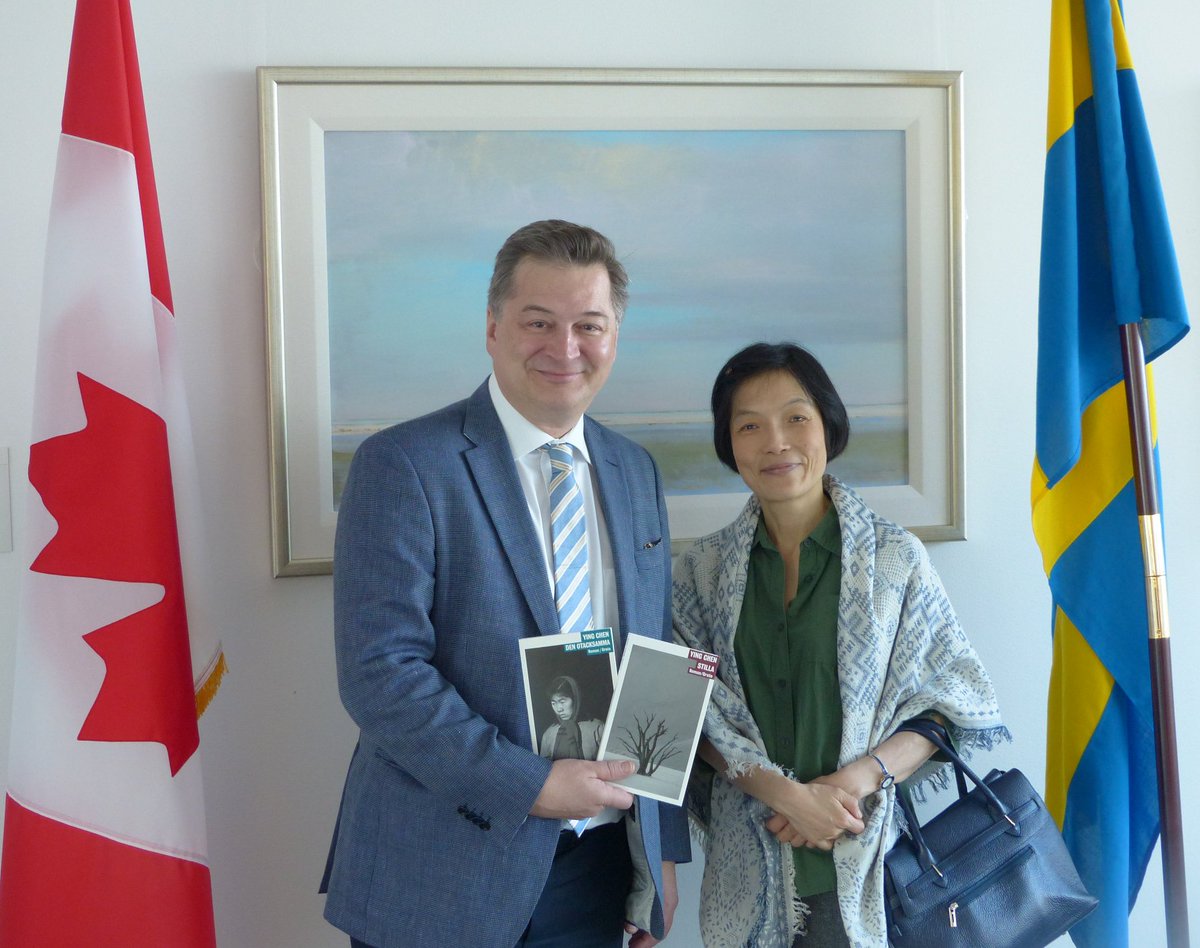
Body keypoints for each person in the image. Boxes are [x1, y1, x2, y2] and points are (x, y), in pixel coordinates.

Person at [321, 220, 689, 948]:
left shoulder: (635, 471)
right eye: (538, 322)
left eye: (589, 325)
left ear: (615, 336)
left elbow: (659, 661)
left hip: (595, 867)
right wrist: (532, 786)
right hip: (439, 868)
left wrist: (660, 853)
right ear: (493, 328)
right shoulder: (404, 465)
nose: (565, 348)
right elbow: (379, 674)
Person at [672, 342, 1007, 947]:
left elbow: (949, 700)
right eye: (749, 426)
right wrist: (787, 797)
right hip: (745, 878)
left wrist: (849, 786)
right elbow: (691, 711)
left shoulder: (895, 559)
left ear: (828, 424)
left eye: (796, 418)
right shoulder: (700, 572)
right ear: (730, 445)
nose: (776, 442)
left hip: (873, 865)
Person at [540, 675, 606, 760]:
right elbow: (544, 766)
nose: (559, 709)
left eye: (562, 702)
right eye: (553, 703)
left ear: (575, 699)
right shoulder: (549, 734)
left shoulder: (596, 728)